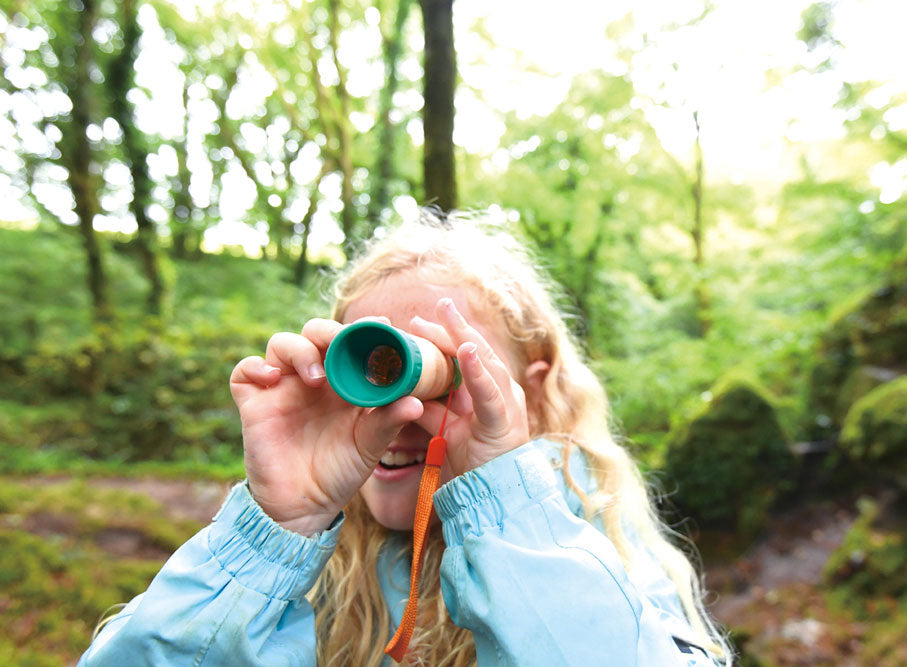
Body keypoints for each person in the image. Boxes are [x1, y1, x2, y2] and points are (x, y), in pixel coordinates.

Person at [80, 211, 732, 666]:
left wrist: (507, 507)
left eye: (444, 373)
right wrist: (276, 528)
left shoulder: (594, 539)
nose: (403, 410)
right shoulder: (312, 567)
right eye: (373, 371)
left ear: (531, 392)